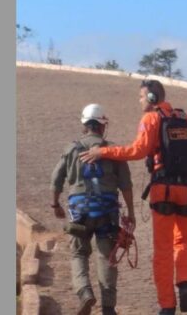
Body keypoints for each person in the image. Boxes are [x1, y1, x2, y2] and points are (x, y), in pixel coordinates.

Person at [80, 80, 187, 315]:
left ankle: (167, 306)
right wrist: (182, 165)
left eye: (141, 97)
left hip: (163, 190)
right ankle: (185, 284)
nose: (139, 101)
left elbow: (137, 151)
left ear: (151, 97)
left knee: (163, 250)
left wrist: (102, 152)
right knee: (183, 242)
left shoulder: (151, 119)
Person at [50, 103, 135, 315]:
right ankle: (108, 307)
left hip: (79, 212)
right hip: (107, 212)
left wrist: (55, 204)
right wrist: (131, 213)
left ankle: (85, 293)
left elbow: (56, 179)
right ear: (102, 126)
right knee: (107, 257)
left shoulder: (71, 149)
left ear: (85, 125)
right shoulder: (113, 150)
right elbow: (126, 185)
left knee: (78, 253)